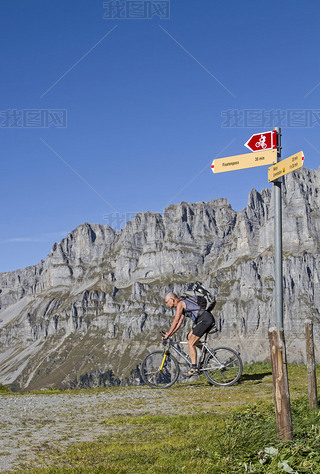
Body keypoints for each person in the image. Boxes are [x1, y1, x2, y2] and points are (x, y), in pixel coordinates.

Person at [163, 292, 215, 376]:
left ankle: (194, 368)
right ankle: (206, 351)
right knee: (189, 337)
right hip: (204, 319)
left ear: (172, 300)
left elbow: (175, 321)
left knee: (191, 343)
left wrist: (168, 334)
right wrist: (170, 334)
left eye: (166, 302)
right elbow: (179, 323)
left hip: (205, 319)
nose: (166, 304)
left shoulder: (181, 303)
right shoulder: (183, 304)